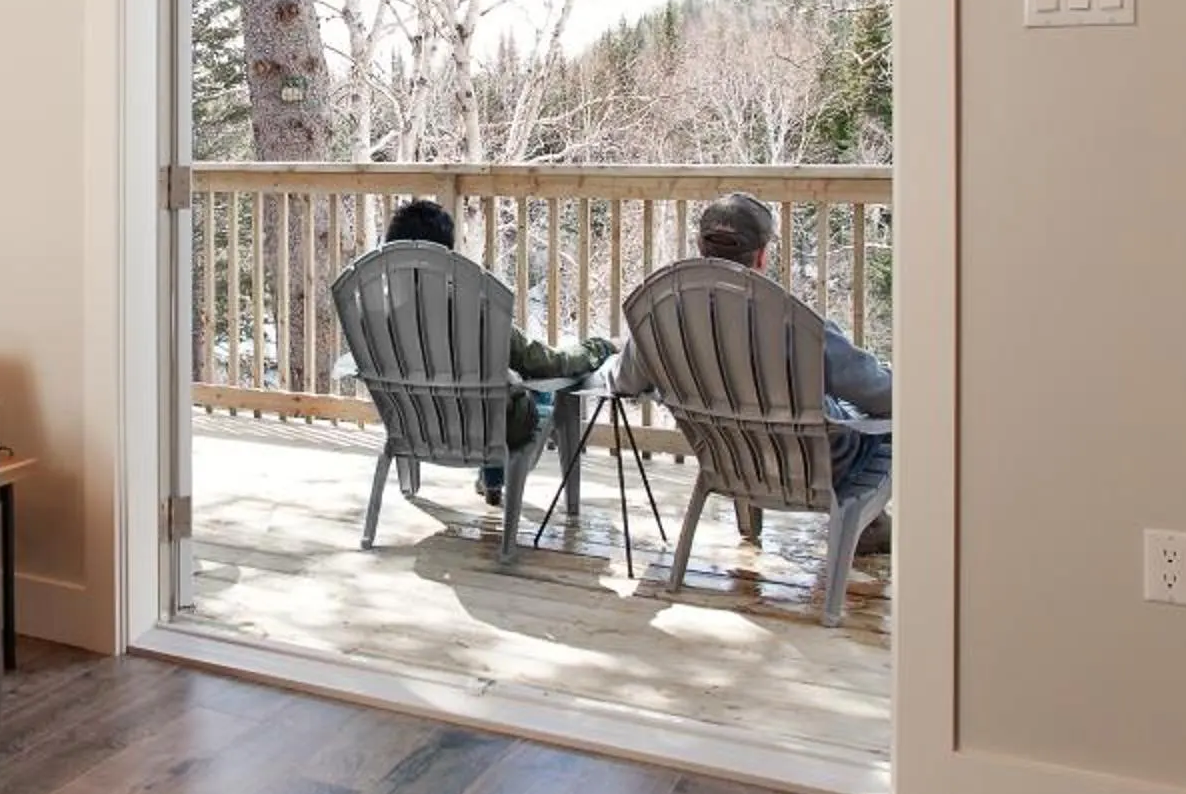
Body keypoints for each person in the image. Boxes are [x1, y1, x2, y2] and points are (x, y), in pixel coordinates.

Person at [615, 190, 892, 536]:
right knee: (883, 421)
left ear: (701, 247)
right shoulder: (791, 321)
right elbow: (883, 395)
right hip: (818, 466)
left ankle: (856, 527)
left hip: (728, 459)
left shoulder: (663, 314)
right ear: (761, 256)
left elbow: (625, 382)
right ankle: (868, 527)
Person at [381, 198, 611, 506]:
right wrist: (599, 347)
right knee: (534, 391)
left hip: (414, 425)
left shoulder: (379, 313)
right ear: (445, 256)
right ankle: (503, 482)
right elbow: (544, 362)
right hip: (485, 428)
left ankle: (490, 480)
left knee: (494, 382)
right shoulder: (471, 308)